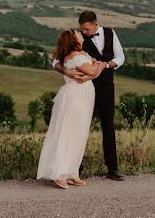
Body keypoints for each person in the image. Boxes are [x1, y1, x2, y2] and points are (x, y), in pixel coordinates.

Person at [54, 9, 126, 181]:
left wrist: (106, 65)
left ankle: (112, 168)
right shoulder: (75, 40)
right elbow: (55, 60)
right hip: (85, 90)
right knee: (79, 128)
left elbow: (120, 57)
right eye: (82, 29)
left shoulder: (110, 33)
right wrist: (67, 72)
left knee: (108, 127)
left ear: (96, 24)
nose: (84, 33)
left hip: (107, 88)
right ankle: (75, 169)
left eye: (87, 29)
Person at [36, 29, 104, 189]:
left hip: (84, 95)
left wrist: (95, 68)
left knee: (79, 133)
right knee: (69, 133)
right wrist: (96, 65)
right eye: (77, 33)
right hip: (75, 96)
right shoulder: (75, 56)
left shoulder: (80, 53)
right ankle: (59, 173)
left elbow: (93, 72)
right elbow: (93, 70)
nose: (80, 34)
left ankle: (72, 172)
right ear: (73, 39)